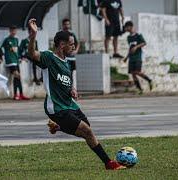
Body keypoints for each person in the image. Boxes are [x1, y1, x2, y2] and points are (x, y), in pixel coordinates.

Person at [27, 18, 125, 170]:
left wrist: (72, 88)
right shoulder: (48, 58)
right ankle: (109, 163)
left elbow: (66, 80)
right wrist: (33, 35)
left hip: (69, 103)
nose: (74, 46)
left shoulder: (66, 61)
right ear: (62, 44)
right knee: (87, 131)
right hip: (57, 107)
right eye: (71, 44)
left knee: (87, 130)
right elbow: (32, 53)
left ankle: (57, 127)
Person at [1, 25, 30, 100]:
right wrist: (1, 57)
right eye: (12, 30)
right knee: (17, 76)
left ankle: (19, 95)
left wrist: (20, 58)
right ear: (10, 31)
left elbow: (17, 51)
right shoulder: (6, 39)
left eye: (15, 30)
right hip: (10, 61)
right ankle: (17, 95)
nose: (14, 31)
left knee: (17, 77)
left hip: (16, 61)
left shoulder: (16, 40)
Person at [123, 21, 152, 93]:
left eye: (126, 27)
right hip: (131, 58)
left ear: (130, 27)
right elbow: (130, 48)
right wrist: (127, 57)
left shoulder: (138, 35)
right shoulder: (128, 37)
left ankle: (149, 80)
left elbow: (144, 43)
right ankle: (139, 89)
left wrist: (136, 47)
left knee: (137, 72)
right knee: (133, 74)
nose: (125, 29)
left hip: (137, 57)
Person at [61, 18, 80, 89]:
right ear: (62, 25)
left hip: (72, 58)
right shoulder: (60, 34)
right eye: (65, 24)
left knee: (72, 74)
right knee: (64, 74)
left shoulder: (72, 34)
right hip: (64, 58)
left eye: (68, 24)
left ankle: (72, 90)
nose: (67, 26)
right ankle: (65, 89)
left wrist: (76, 51)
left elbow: (77, 43)